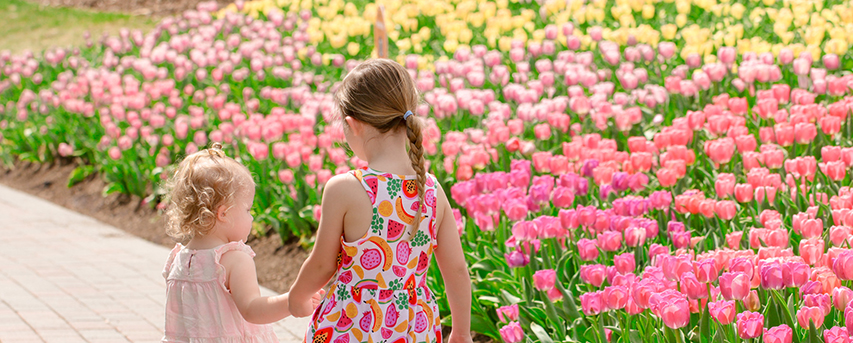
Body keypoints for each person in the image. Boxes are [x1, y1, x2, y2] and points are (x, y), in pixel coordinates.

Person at [287, 59, 473, 343]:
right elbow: (457, 270)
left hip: (354, 323)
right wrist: (460, 332)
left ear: (353, 124)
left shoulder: (346, 189)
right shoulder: (432, 190)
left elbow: (323, 265)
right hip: (414, 326)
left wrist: (297, 296)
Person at [161, 143, 324, 343]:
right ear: (224, 214)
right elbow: (252, 309)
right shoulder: (233, 260)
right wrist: (290, 302)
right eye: (247, 209)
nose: (251, 217)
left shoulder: (178, 259)